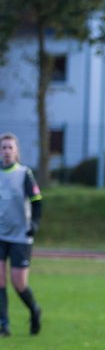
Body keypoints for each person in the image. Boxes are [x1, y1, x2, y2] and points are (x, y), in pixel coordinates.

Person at [0, 133, 43, 337]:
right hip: (0, 235)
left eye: (10, 147)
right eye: (3, 148)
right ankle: (4, 325)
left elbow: (37, 200)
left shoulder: (24, 173)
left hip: (20, 236)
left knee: (19, 283)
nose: (6, 151)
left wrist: (34, 223)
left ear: (16, 151)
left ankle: (34, 310)